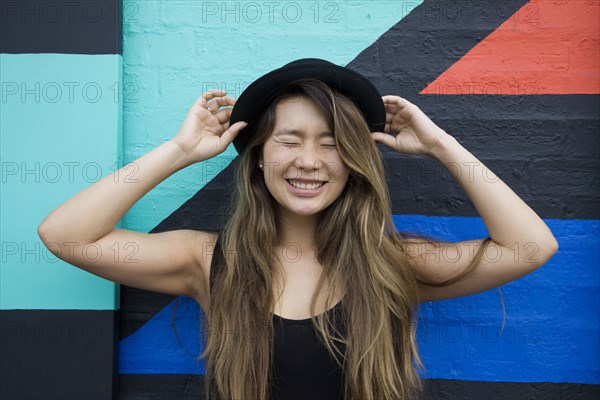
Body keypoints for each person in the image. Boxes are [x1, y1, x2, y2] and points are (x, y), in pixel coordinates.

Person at [38, 58, 558, 400]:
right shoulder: (210, 262)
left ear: (353, 160)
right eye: (289, 139)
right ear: (259, 157)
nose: (309, 160)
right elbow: (66, 235)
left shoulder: (391, 266)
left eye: (331, 142)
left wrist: (442, 145)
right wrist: (179, 152)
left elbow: (531, 246)